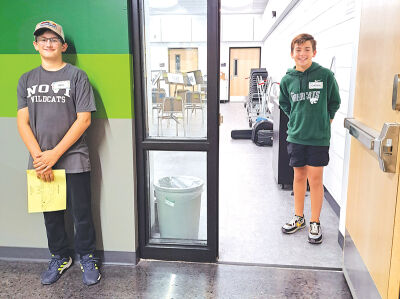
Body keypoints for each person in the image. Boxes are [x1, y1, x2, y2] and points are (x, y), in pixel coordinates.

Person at [17, 20, 101, 285]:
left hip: (75, 158)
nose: (48, 43)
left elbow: (84, 120)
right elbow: (22, 122)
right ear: (35, 45)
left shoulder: (77, 77)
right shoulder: (26, 79)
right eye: (43, 39)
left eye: (53, 39)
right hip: (42, 162)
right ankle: (60, 256)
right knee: (51, 215)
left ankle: (88, 256)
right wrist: (41, 157)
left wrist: (55, 154)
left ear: (63, 45)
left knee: (82, 213)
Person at [279, 33, 341, 244]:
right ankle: (299, 218)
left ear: (314, 52)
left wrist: (326, 121)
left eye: (306, 49)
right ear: (292, 54)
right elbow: (285, 104)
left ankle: (315, 221)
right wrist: (297, 120)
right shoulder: (287, 79)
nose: (302, 54)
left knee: (315, 180)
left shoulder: (324, 75)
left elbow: (334, 102)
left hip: (318, 139)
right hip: (296, 136)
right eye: (298, 50)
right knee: (298, 177)